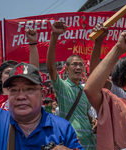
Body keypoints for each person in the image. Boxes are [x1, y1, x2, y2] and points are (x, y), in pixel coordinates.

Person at [0, 9, 83, 150]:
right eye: (14, 89)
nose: (20, 96)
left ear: (43, 94)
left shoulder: (63, 128)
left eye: (29, 89)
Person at [47, 21, 96, 149]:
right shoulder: (62, 87)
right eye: (74, 64)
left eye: (80, 64)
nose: (78, 67)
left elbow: (85, 114)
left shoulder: (86, 90)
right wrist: (54, 36)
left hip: (91, 143)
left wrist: (93, 122)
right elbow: (51, 67)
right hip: (71, 142)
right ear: (67, 69)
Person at [0, 28, 39, 110]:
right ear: (0, 78)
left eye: (15, 72)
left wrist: (32, 44)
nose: (11, 75)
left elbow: (34, 71)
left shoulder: (25, 98)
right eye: (7, 72)